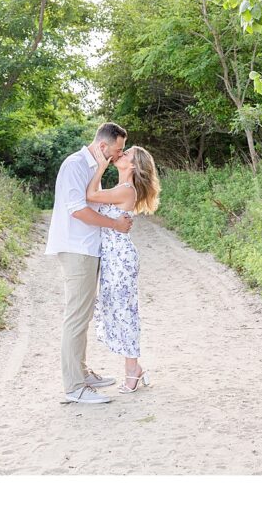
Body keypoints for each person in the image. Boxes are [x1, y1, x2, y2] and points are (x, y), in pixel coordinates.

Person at [45, 122, 133, 404]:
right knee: (76, 316)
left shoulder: (95, 167)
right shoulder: (74, 165)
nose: (119, 155)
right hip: (75, 249)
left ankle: (82, 373)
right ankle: (74, 387)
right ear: (103, 146)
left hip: (88, 248)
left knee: (83, 315)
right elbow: (78, 211)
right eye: (118, 150)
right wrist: (115, 225)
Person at [85, 144, 161, 393]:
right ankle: (134, 368)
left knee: (125, 312)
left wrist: (100, 166)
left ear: (134, 165)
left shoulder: (126, 190)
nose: (121, 153)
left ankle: (132, 371)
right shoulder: (119, 189)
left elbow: (90, 195)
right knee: (116, 309)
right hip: (112, 258)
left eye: (126, 154)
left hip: (120, 258)